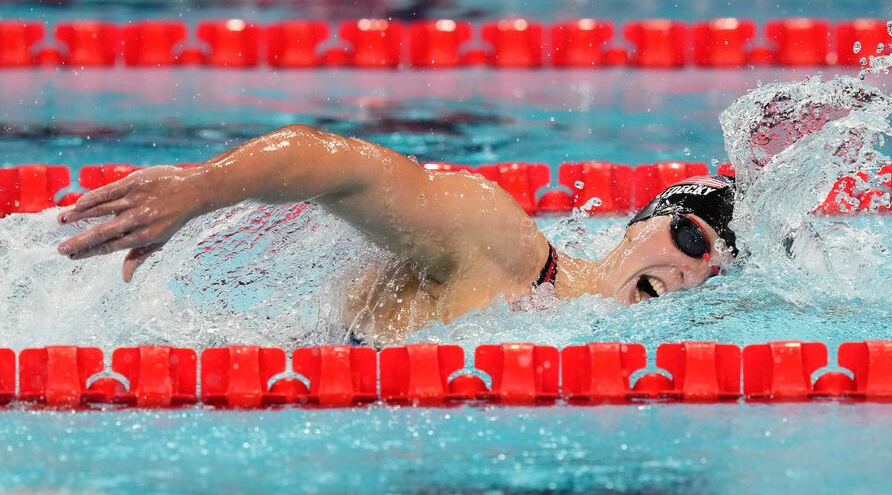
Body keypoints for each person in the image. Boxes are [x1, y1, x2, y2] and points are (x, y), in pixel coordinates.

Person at [56, 124, 739, 345]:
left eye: (717, 271)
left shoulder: (593, 345)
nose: (694, 270)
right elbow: (336, 166)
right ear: (641, 224)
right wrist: (196, 190)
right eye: (691, 238)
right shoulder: (503, 244)